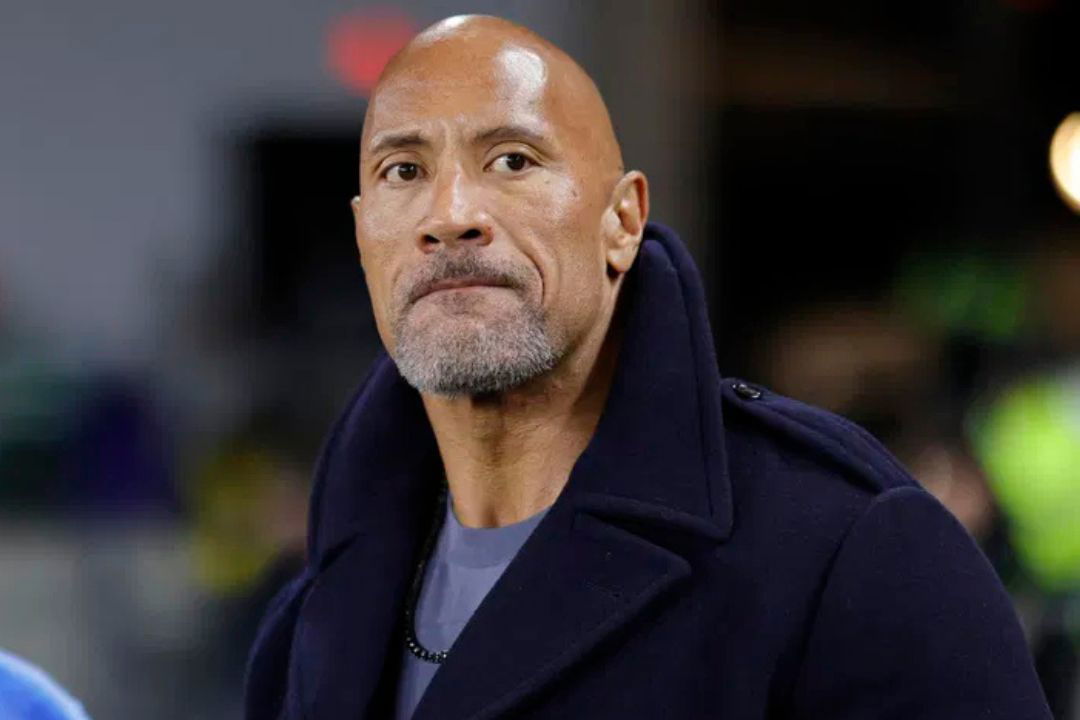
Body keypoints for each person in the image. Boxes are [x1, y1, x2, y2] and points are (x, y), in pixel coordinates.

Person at [244, 14, 1051, 720]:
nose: (450, 215)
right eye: (404, 171)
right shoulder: (306, 630)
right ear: (364, 236)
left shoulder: (849, 556)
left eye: (513, 160)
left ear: (623, 221)